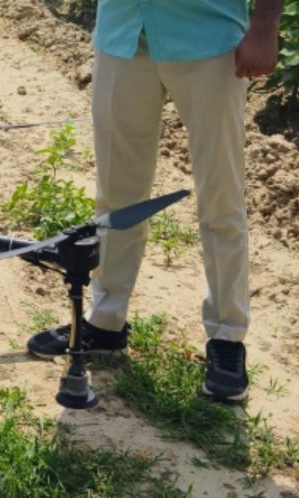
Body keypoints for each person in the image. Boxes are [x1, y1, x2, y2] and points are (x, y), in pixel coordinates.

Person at [27, 0, 283, 401]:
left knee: (221, 195)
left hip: (209, 38)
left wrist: (265, 24)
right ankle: (106, 321)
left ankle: (228, 337)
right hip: (122, 33)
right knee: (116, 191)